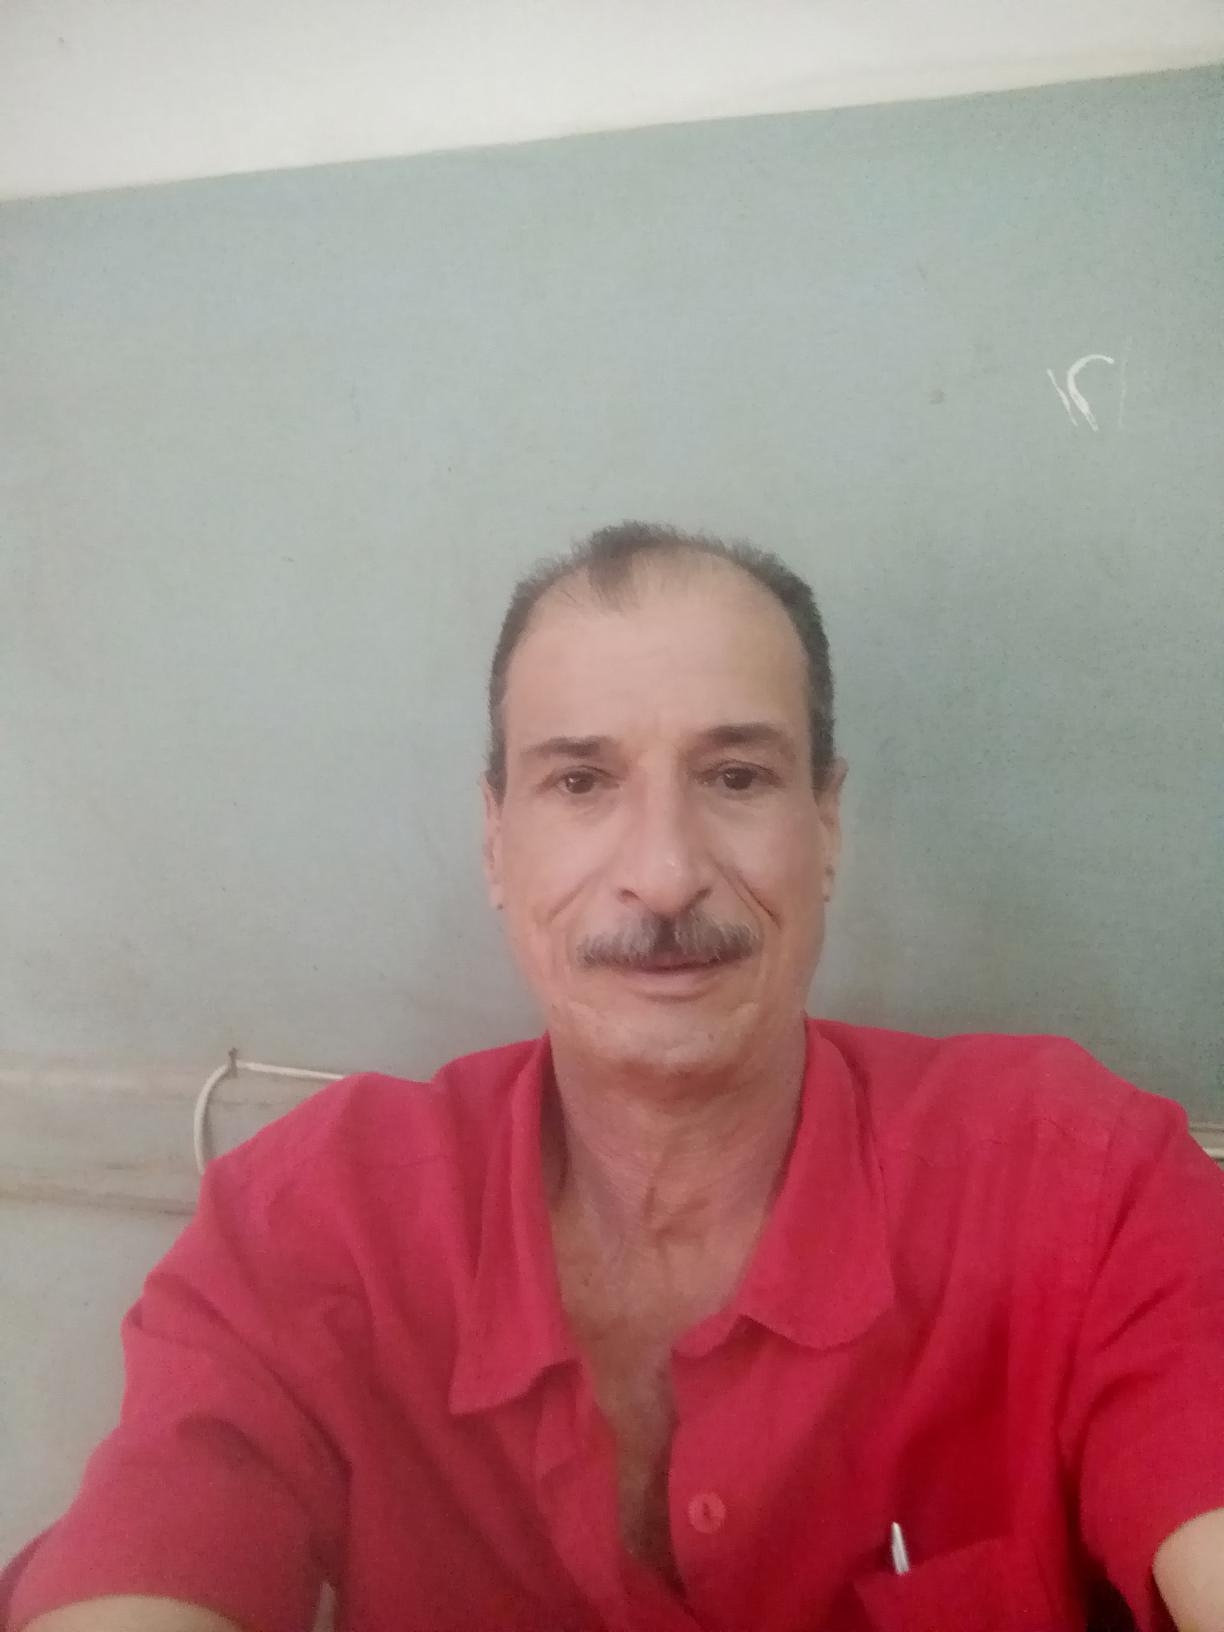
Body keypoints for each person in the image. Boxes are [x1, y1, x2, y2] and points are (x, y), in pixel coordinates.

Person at [4, 522, 1223, 1632]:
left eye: (736, 776)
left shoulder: (1079, 1186)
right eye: (581, 782)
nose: (666, 873)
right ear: (497, 841)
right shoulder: (316, 1228)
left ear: (827, 825)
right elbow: (159, 1539)